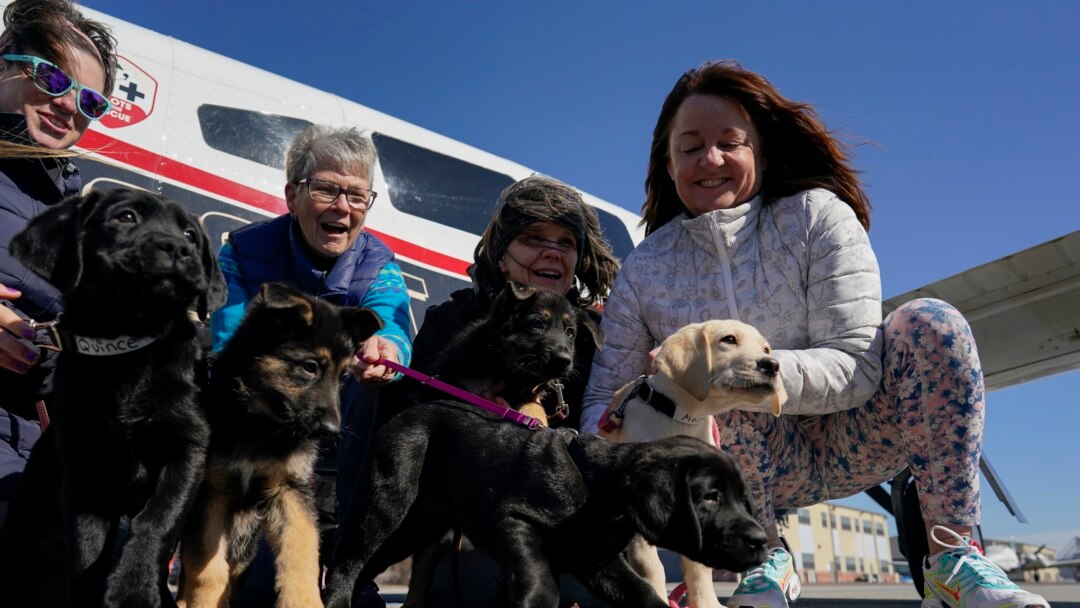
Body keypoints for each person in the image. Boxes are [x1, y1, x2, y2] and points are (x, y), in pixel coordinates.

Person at [580, 60, 1050, 608]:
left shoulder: (818, 217)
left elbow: (857, 359)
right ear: (668, 161)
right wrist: (615, 426)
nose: (710, 160)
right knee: (708, 385)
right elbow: (601, 397)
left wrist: (758, 372)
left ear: (759, 148)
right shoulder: (645, 269)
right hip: (744, 466)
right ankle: (765, 561)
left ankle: (953, 556)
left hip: (858, 437)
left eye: (730, 142)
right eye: (690, 147)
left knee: (930, 321)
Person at [366, 175, 620, 608]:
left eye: (565, 242)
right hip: (470, 516)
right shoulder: (453, 323)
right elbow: (403, 421)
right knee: (471, 575)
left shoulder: (597, 333)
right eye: (533, 237)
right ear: (502, 256)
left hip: (566, 515)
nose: (553, 251)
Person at [209, 124, 412, 603]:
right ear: (292, 195)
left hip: (338, 435)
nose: (343, 207)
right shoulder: (241, 252)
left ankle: (349, 568)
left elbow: (391, 325)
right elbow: (230, 343)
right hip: (255, 434)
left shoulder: (379, 266)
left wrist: (387, 349)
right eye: (326, 189)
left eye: (358, 196)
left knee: (373, 395)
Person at [0, 0, 116, 526]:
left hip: (27, 466)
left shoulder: (71, 214)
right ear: (5, 60)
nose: (69, 105)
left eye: (90, 100)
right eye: (51, 77)